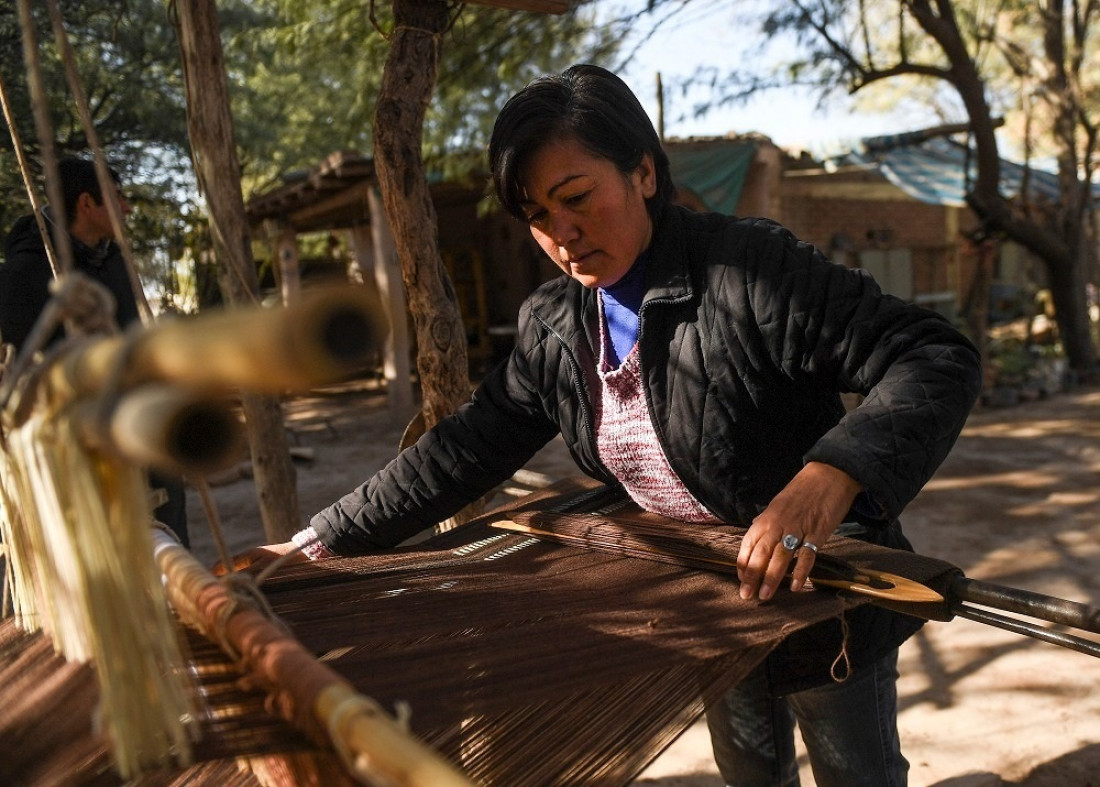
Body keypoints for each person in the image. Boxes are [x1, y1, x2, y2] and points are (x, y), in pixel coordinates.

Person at [240, 65, 981, 786]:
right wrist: (311, 547)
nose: (563, 233)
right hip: (712, 602)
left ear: (645, 174)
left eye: (577, 198)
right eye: (537, 217)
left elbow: (932, 355)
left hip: (823, 594)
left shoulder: (748, 273)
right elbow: (462, 450)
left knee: (857, 771)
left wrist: (829, 477)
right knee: (751, 770)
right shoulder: (557, 326)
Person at [1, 156, 189, 548]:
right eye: (118, 197)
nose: (127, 208)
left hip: (134, 419)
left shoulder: (115, 261)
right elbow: (30, 374)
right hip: (74, 441)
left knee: (167, 506)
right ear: (86, 203)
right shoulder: (25, 273)